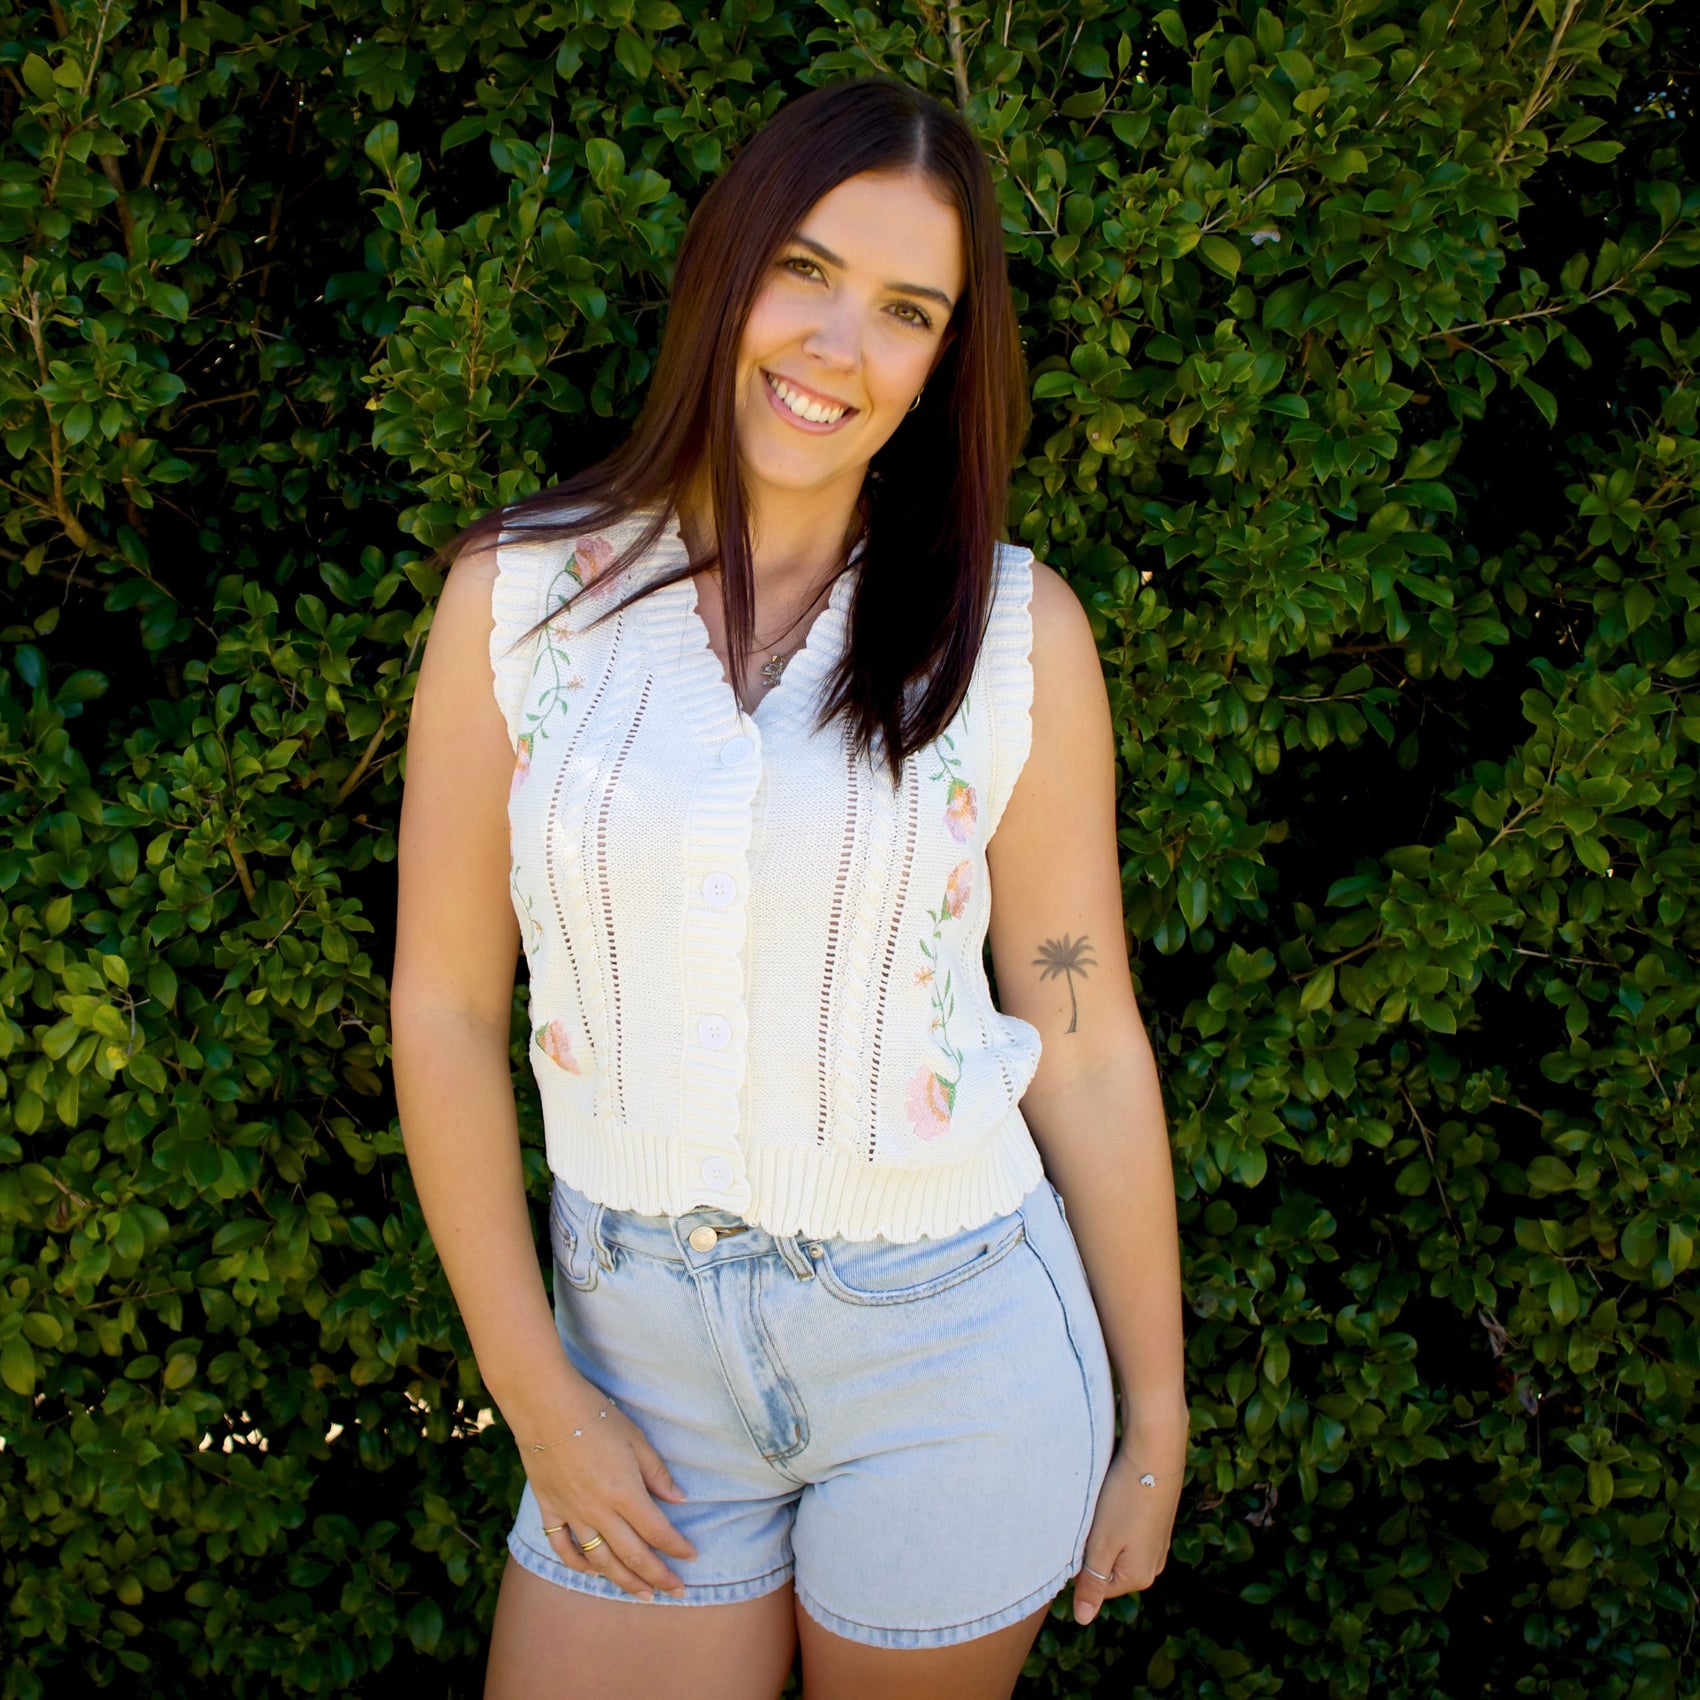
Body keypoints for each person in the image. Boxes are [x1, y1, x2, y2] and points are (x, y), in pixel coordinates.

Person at [392, 75, 1186, 1700]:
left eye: (906, 311)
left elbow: (1086, 1033)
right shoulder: (521, 601)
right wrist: (534, 1391)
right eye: (806, 271)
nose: (839, 344)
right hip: (632, 1346)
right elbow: (447, 1005)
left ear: (944, 363)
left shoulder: (1015, 638)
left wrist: (1158, 1414)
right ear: (727, 272)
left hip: (956, 1351)